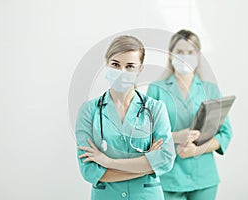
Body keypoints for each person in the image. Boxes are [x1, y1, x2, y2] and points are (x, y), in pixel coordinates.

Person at [75, 35, 176, 200]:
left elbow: (165, 160)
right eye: (115, 64)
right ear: (106, 64)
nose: (122, 72)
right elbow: (89, 171)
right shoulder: (89, 111)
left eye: (130, 66)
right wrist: (147, 164)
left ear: (140, 69)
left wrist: (109, 162)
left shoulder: (156, 108)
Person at [146, 29, 233, 200]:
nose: (184, 56)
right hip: (168, 178)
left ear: (198, 55)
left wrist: (196, 150)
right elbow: (146, 134)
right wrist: (176, 137)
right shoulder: (156, 89)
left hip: (204, 179)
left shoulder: (210, 90)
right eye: (179, 51)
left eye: (190, 52)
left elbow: (225, 133)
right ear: (170, 54)